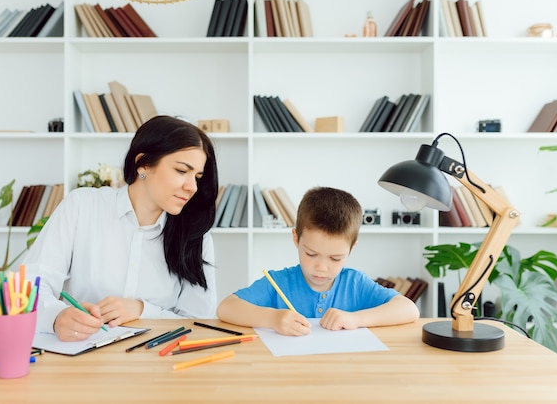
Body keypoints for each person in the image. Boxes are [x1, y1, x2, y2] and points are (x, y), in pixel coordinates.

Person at [25, 116, 219, 341]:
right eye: (181, 171)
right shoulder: (82, 206)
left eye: (197, 176)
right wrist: (57, 317)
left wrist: (141, 310)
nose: (192, 187)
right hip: (82, 356)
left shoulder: (196, 234)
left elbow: (199, 320)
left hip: (158, 364)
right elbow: (31, 283)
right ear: (143, 164)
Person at [217, 186, 420, 336]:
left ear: (352, 248)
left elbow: (409, 309)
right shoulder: (278, 282)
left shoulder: (355, 284)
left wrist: (354, 319)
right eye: (311, 254)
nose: (322, 268)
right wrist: (273, 319)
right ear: (296, 238)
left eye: (335, 258)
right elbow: (226, 307)